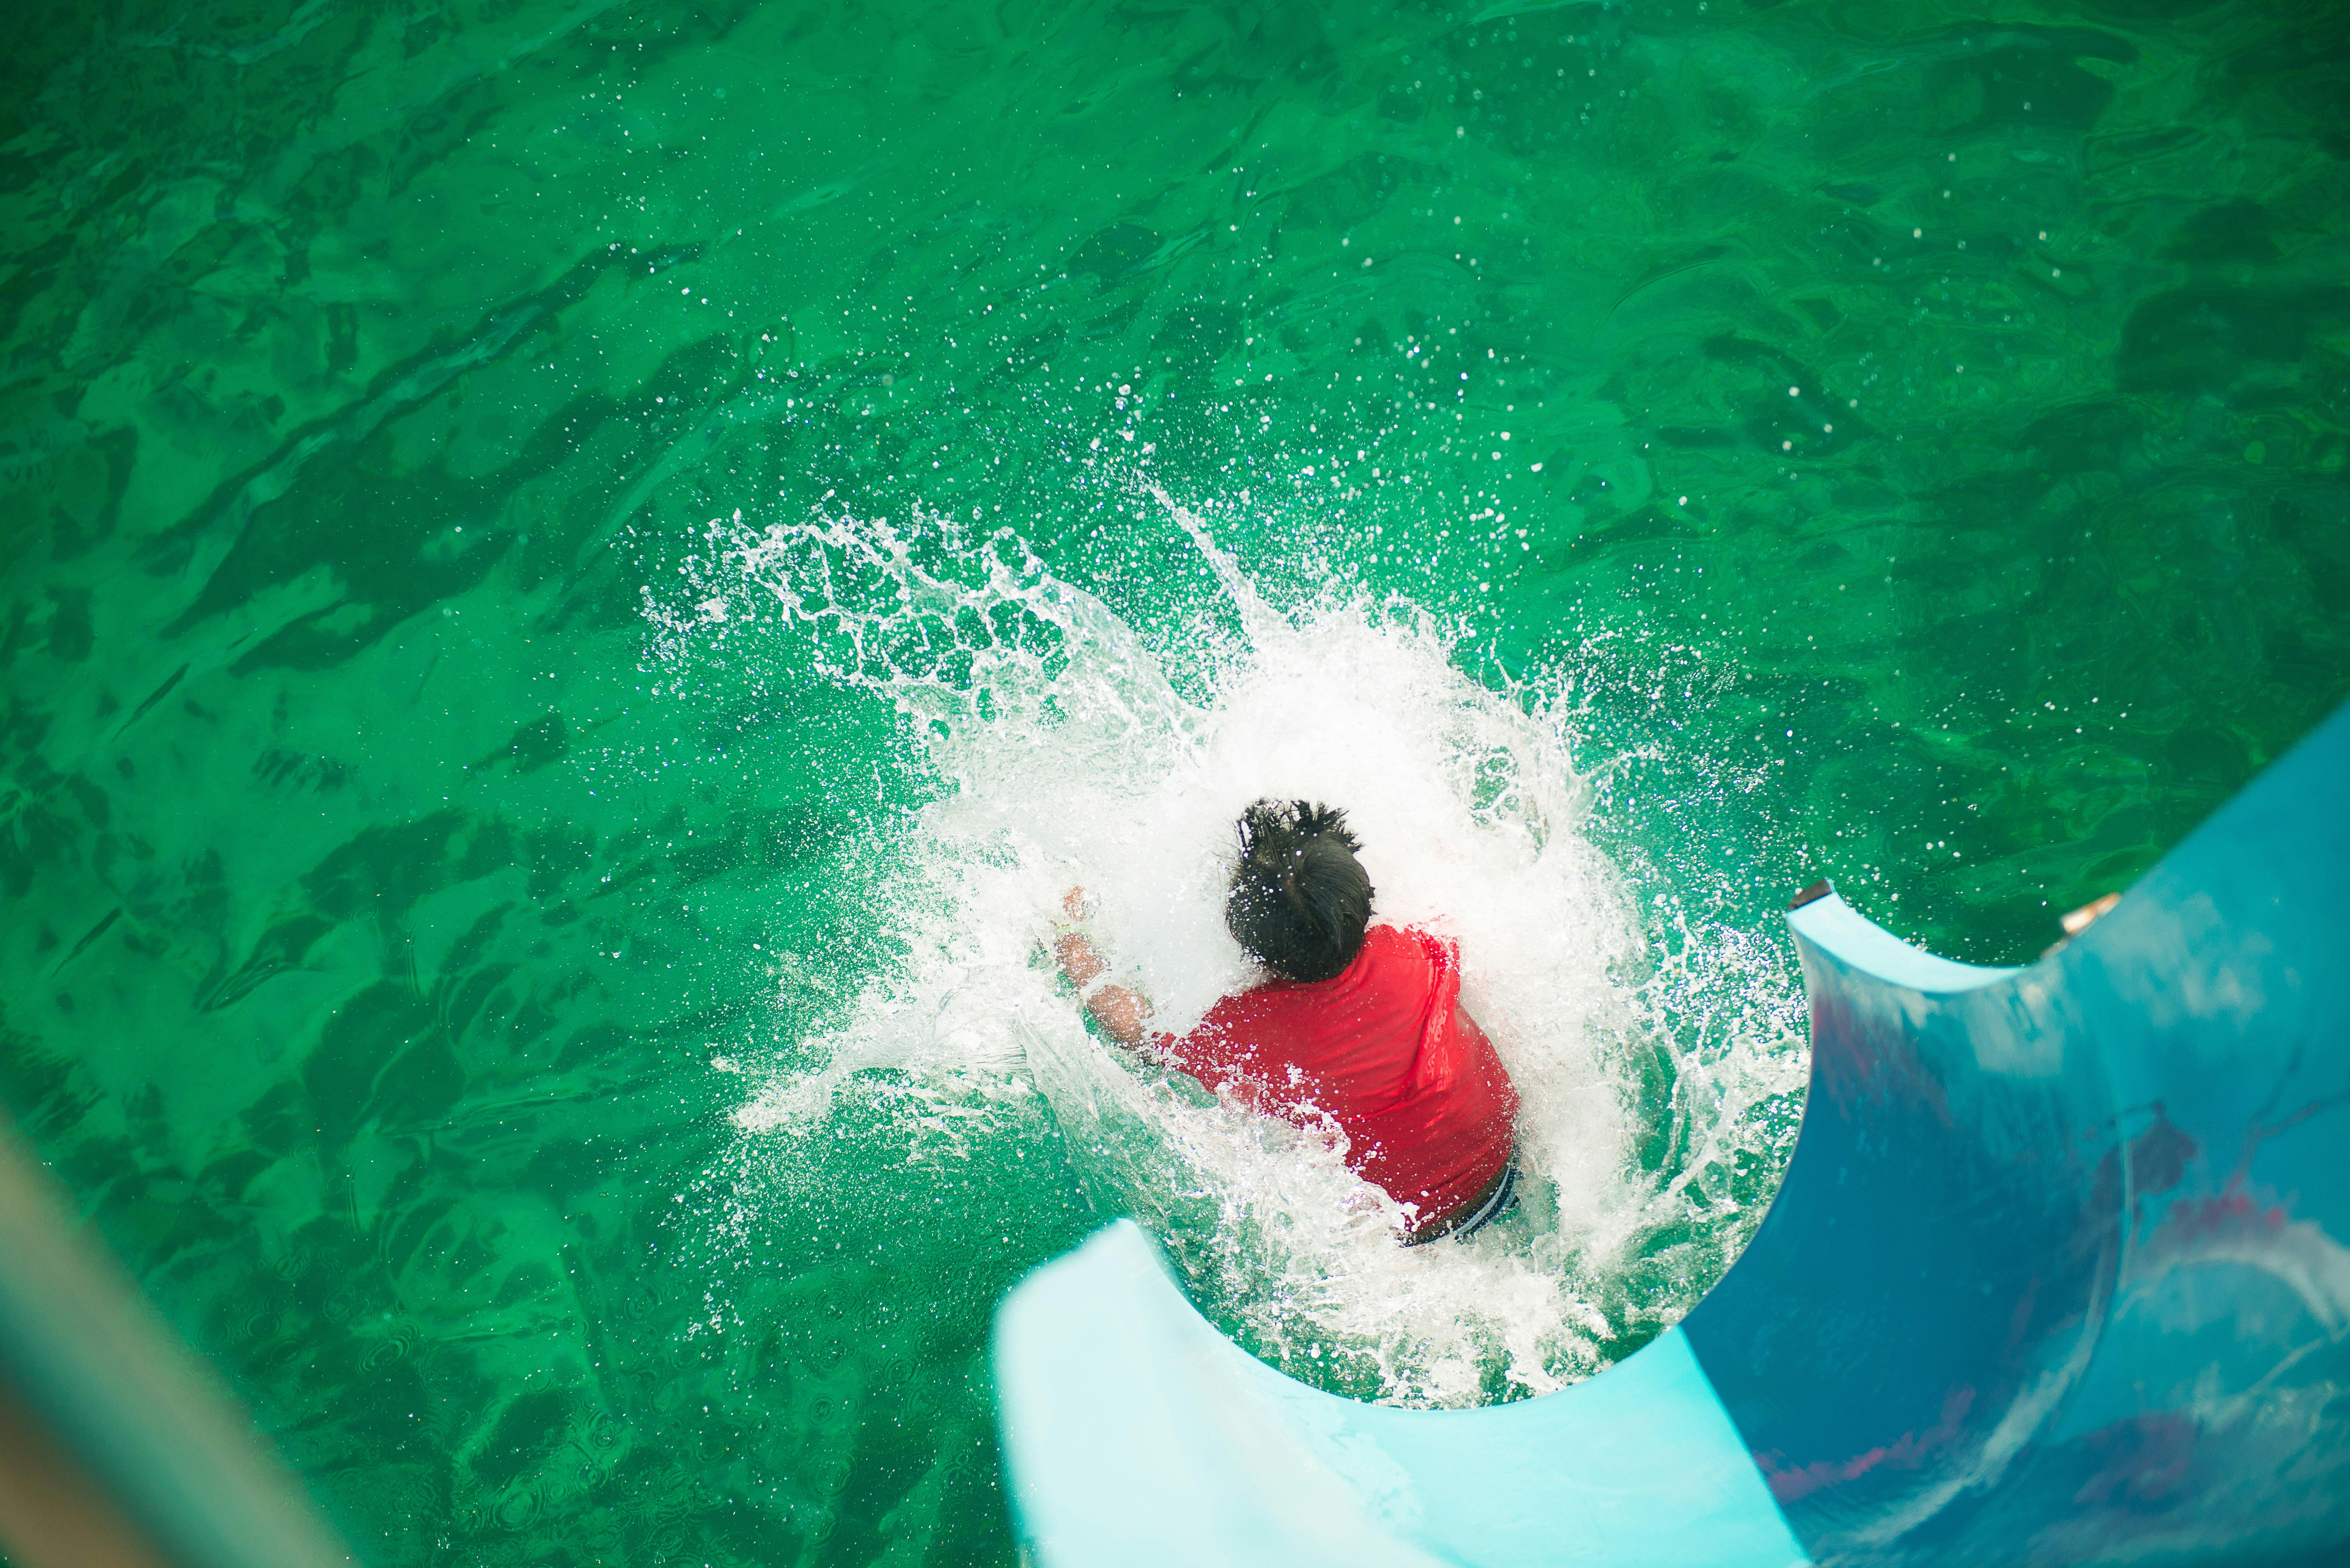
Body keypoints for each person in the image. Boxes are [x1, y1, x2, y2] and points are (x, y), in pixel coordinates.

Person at [1052, 799, 1521, 1243]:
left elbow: (1136, 1030)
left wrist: (1070, 936)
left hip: (1412, 1235)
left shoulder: (1242, 1030)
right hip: (1503, 1168)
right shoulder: (1413, 949)